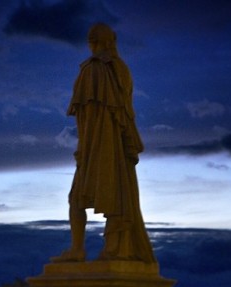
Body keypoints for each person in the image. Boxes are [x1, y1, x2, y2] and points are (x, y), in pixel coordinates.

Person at [52, 23, 155, 263]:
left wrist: (83, 148)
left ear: (94, 42)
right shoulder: (122, 70)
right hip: (115, 146)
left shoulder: (92, 69)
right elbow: (123, 112)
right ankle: (112, 247)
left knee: (78, 197)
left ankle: (81, 248)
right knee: (116, 195)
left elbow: (85, 115)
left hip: (95, 146)